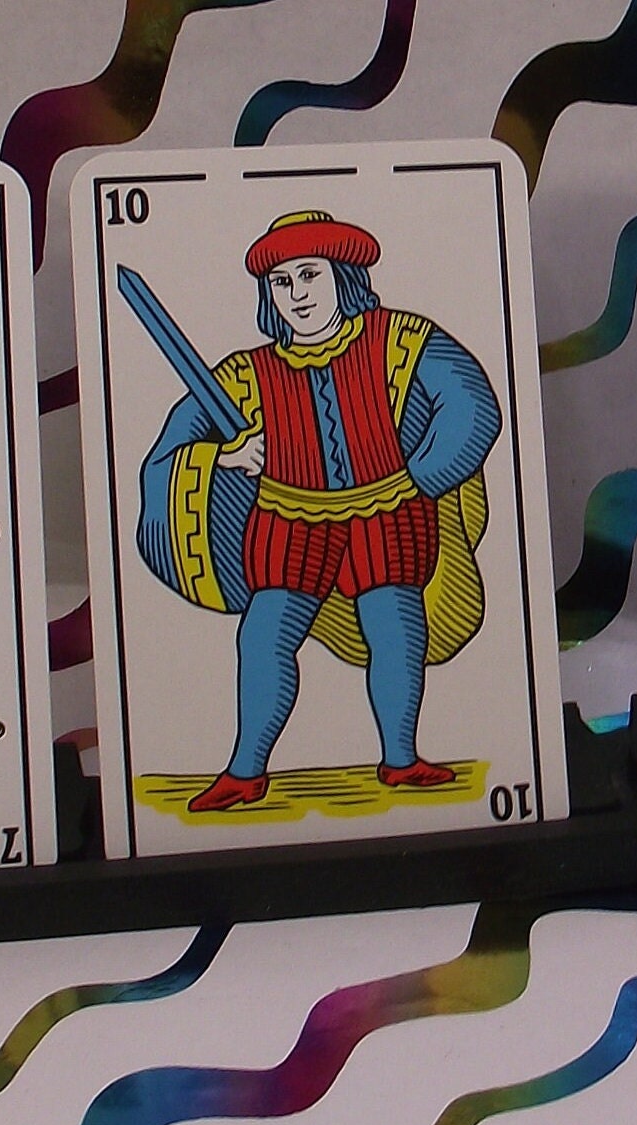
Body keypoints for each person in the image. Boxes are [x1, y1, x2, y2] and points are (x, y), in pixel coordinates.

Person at [144, 211, 502, 813]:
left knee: (396, 634)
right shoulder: (245, 373)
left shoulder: (402, 340)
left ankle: (401, 759)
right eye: (281, 282)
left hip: (386, 511)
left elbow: (472, 404)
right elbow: (172, 447)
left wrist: (419, 479)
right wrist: (224, 455)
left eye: (309, 274)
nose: (297, 294)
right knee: (263, 639)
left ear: (342, 275)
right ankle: (244, 772)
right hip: (289, 519)